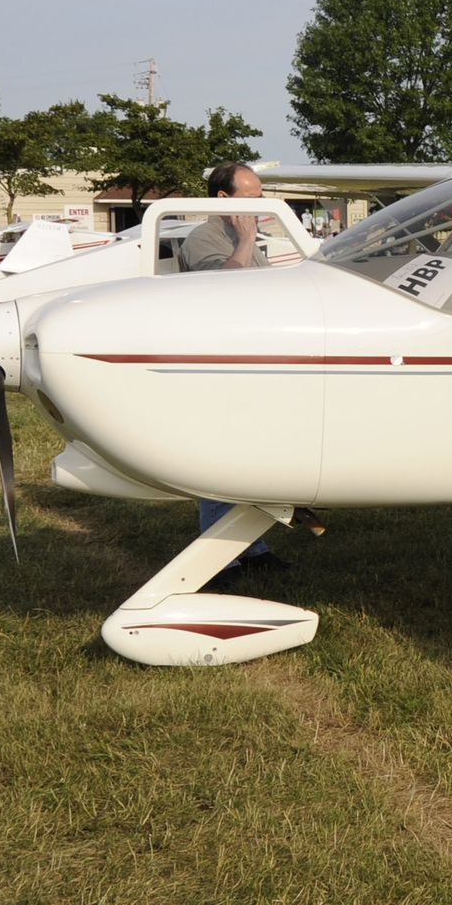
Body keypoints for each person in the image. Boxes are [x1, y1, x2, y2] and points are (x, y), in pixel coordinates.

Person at [184, 161, 283, 587]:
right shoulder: (203, 238)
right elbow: (222, 290)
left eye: (261, 197)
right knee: (221, 470)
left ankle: (252, 549)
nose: (259, 206)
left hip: (252, 368)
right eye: (250, 199)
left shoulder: (242, 237)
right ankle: (218, 563)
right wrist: (245, 240)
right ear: (221, 199)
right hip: (221, 370)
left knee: (252, 463)